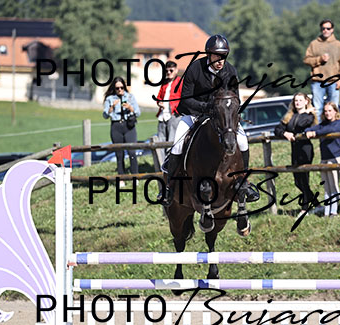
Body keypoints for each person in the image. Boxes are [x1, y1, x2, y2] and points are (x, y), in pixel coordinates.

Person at [162, 34, 258, 206]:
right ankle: (169, 186)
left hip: (221, 118)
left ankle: (245, 181)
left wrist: (231, 113)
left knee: (243, 141)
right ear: (208, 54)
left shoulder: (230, 71)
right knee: (177, 144)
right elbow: (186, 99)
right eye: (217, 56)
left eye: (223, 56)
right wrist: (207, 107)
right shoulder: (195, 69)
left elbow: (235, 98)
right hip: (194, 114)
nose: (220, 60)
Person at [273, 93, 318, 216]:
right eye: (296, 100)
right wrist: (284, 133)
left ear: (306, 101)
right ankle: (317, 204)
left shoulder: (309, 115)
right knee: (297, 181)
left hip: (305, 149)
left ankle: (305, 208)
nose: (297, 102)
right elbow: (277, 129)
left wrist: (306, 112)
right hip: (295, 150)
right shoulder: (289, 116)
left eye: (300, 100)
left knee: (304, 179)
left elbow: (301, 125)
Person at [304, 102, 340, 217]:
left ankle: (334, 211)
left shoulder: (339, 123)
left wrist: (315, 133)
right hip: (324, 157)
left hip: (336, 157)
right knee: (326, 186)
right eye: (325, 111)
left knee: (334, 185)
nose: (327, 113)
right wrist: (308, 131)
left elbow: (330, 129)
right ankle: (327, 212)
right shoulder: (323, 124)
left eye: (330, 111)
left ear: (335, 111)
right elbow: (310, 128)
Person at [303, 19, 340, 118]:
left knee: (334, 108)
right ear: (321, 29)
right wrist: (319, 59)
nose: (325, 30)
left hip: (333, 81)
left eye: (328, 28)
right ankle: (318, 127)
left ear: (332, 29)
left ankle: (334, 127)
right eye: (323, 28)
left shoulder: (338, 44)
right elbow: (306, 60)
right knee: (318, 108)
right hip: (318, 82)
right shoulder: (314, 44)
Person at [102, 77, 141, 183]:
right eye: (117, 88)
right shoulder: (110, 98)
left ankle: (135, 177)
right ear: (114, 89)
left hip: (129, 126)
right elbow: (105, 115)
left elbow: (138, 112)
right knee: (119, 154)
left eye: (121, 87)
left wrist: (130, 108)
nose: (120, 90)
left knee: (132, 152)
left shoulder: (130, 97)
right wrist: (111, 107)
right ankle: (121, 178)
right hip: (116, 126)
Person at [155, 61, 183, 162]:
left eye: (171, 70)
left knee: (171, 142)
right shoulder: (164, 83)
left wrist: (177, 111)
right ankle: (162, 164)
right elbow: (159, 97)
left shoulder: (180, 82)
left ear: (176, 70)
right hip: (162, 115)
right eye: (167, 71)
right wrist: (159, 103)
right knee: (160, 141)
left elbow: (184, 98)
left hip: (174, 115)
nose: (169, 73)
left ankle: (170, 164)